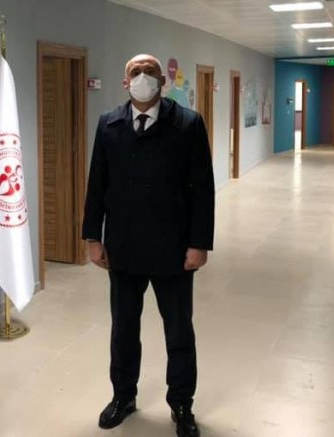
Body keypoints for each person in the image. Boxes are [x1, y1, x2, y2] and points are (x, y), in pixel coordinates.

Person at [82, 54, 214, 437]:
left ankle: (182, 404)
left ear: (163, 81)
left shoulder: (187, 124)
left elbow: (203, 189)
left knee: (179, 331)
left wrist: (199, 244)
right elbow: (97, 184)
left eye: (150, 72)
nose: (143, 77)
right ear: (125, 83)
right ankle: (123, 396)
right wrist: (92, 237)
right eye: (135, 72)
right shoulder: (109, 124)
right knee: (123, 329)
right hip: (123, 249)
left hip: (174, 250)